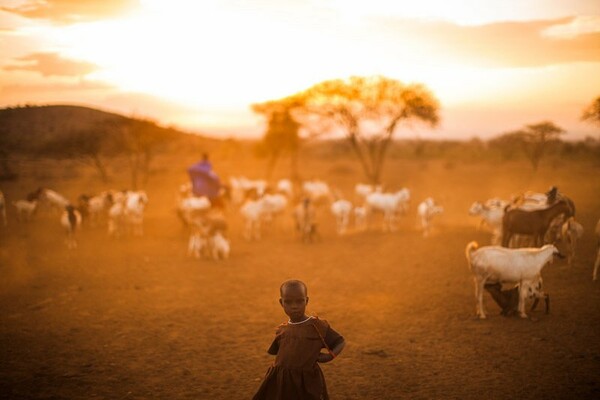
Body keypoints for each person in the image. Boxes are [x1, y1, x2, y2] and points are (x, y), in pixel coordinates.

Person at [253, 280, 345, 400]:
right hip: (281, 380)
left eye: (299, 301)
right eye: (288, 302)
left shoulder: (316, 326)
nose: (294, 306)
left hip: (305, 382)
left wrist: (330, 356)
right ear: (281, 303)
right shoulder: (282, 329)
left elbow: (340, 341)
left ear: (307, 301)